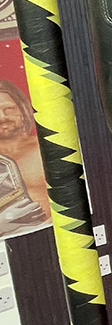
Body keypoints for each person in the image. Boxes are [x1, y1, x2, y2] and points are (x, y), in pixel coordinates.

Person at [0, 79, 48, 238]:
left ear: (22, 108)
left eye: (8, 109)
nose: (2, 117)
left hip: (61, 237)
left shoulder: (46, 148)